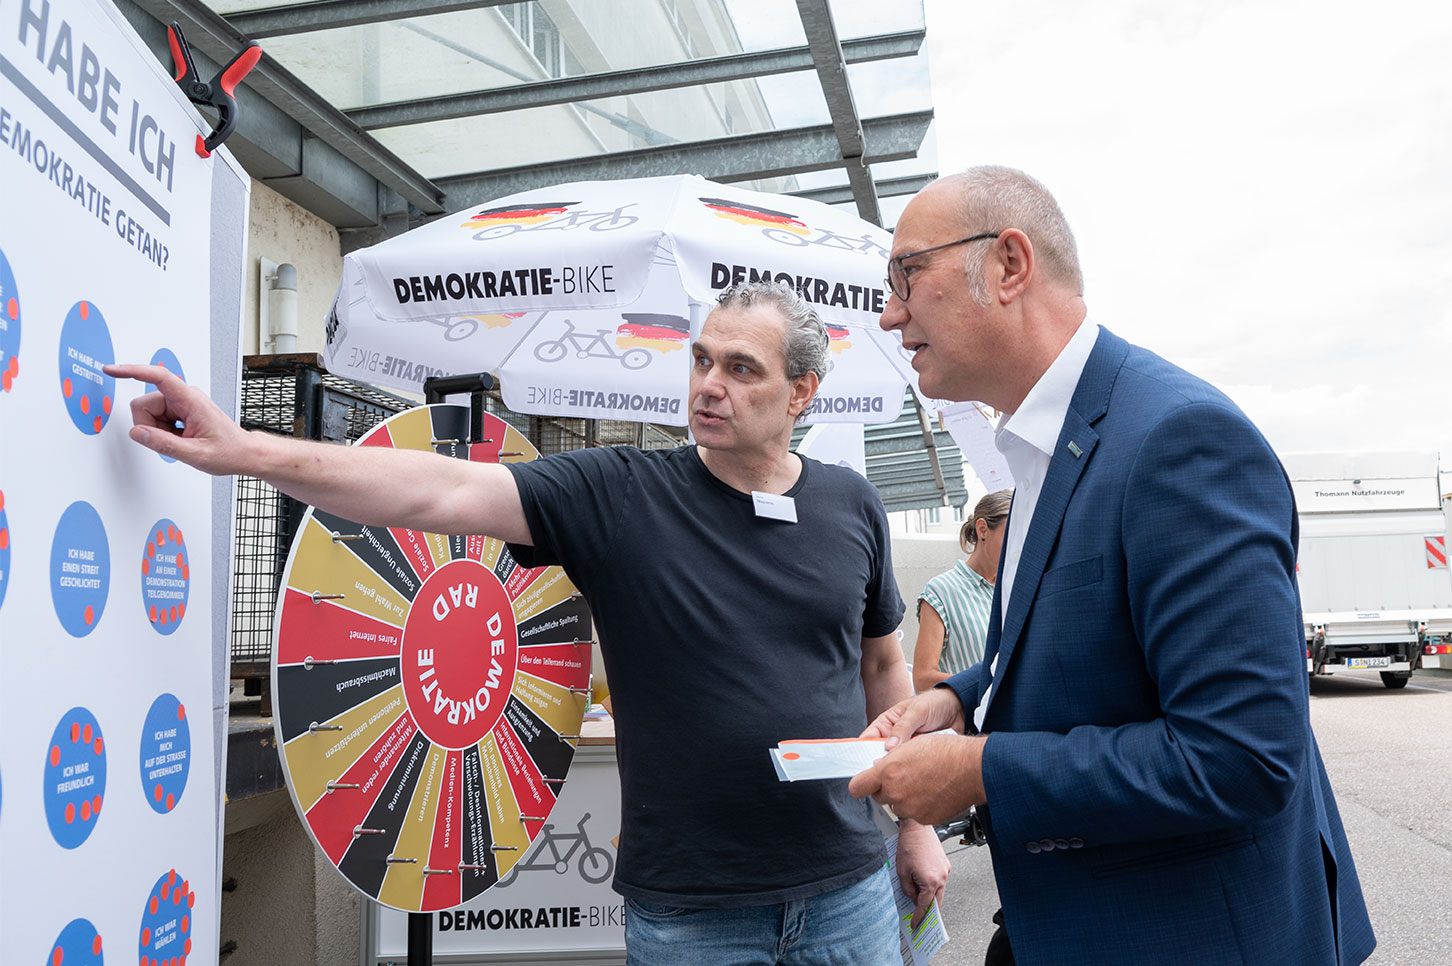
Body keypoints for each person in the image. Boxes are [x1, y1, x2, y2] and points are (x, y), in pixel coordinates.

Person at [107, 280, 948, 965]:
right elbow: (435, 490)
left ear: (801, 391)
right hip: (696, 912)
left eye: (740, 368)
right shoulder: (622, 495)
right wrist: (240, 448)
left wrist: (913, 827)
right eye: (700, 361)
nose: (707, 386)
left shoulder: (851, 503)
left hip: (848, 891)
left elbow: (883, 671)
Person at [848, 167, 1375, 965]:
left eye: (907, 276)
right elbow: (1073, 639)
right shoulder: (1044, 450)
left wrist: (978, 768)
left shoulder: (1178, 440)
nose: (890, 315)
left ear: (1009, 265)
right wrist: (957, 699)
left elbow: (1241, 756)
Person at [912, 488, 1012, 692]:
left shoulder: (1016, 588)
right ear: (983, 529)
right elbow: (922, 679)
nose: (1019, 544)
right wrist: (988, 684)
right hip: (970, 720)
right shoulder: (941, 590)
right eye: (1012, 533)